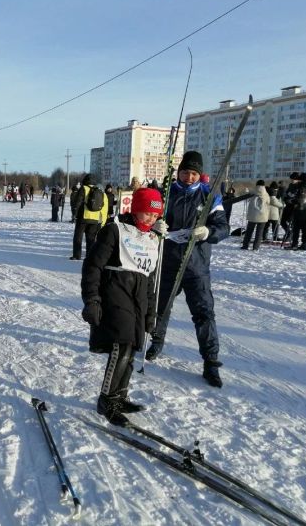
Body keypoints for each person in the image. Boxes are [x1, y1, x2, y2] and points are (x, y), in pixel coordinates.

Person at [81, 188, 166, 425]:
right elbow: (93, 266)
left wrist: (150, 313)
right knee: (123, 342)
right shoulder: (114, 230)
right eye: (146, 213)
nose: (150, 218)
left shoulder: (152, 239)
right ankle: (106, 398)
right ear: (135, 208)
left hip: (137, 296)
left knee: (133, 345)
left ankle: (119, 395)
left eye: (155, 215)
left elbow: (149, 279)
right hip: (114, 290)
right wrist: (92, 300)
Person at [145, 151, 229, 388]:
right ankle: (156, 342)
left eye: (193, 173)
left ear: (199, 174)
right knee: (160, 309)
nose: (189, 177)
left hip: (196, 267)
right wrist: (154, 226)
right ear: (179, 171)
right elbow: (146, 219)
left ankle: (210, 362)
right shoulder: (167, 193)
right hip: (169, 262)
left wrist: (208, 233)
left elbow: (223, 227)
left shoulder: (209, 195)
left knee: (204, 313)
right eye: (185, 172)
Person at [70, 174, 108, 260]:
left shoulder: (84, 189)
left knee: (78, 237)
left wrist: (74, 214)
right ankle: (89, 256)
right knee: (90, 239)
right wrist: (102, 221)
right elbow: (103, 207)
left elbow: (78, 203)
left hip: (83, 217)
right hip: (94, 219)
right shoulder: (100, 191)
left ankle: (77, 255)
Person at [285, 172, 306, 251]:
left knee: (296, 228)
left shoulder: (301, 188)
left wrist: (291, 201)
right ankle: (304, 244)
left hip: (300, 210)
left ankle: (294, 244)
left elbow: (298, 199)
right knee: (305, 228)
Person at [241, 180, 270, 251]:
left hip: (252, 215)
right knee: (259, 232)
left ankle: (245, 245)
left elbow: (247, 198)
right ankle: (255, 247)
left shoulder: (253, 192)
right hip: (262, 216)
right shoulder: (266, 194)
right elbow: (269, 202)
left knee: (249, 231)